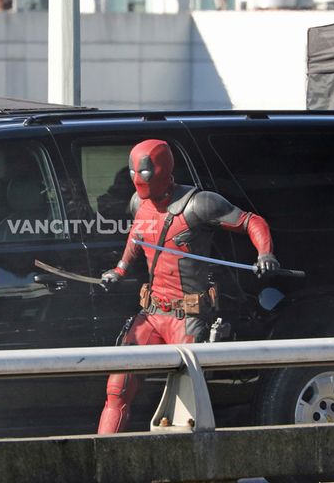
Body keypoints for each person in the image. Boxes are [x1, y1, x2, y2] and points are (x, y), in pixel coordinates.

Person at [97, 139, 280, 434]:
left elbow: (250, 221)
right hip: (152, 314)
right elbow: (138, 234)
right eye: (134, 172)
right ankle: (103, 455)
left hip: (187, 317)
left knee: (187, 405)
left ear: (162, 169)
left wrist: (265, 254)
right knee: (117, 389)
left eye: (144, 172)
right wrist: (120, 269)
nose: (138, 179)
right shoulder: (138, 203)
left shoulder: (198, 204)